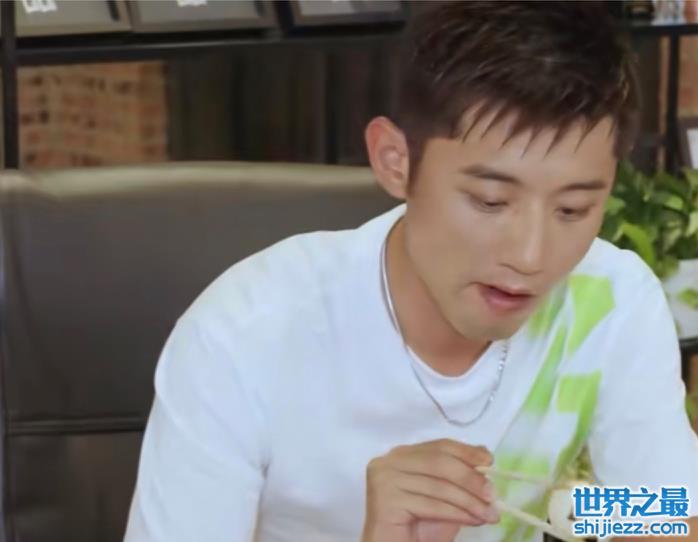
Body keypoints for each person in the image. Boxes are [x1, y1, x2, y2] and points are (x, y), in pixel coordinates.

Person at [123, 2, 698, 542]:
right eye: (490, 202)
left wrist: (572, 510)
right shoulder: (245, 335)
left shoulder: (612, 300)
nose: (530, 257)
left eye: (572, 210)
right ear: (395, 161)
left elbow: (677, 515)